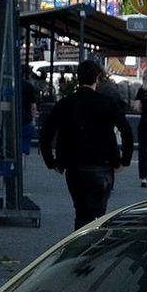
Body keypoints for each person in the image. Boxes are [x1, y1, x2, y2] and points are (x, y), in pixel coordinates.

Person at [38, 56, 133, 225]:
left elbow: (46, 133)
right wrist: (123, 160)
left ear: (78, 78)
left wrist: (52, 162)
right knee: (98, 214)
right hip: (102, 165)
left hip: (75, 166)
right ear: (97, 79)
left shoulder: (66, 103)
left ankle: (80, 244)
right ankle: (93, 247)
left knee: (81, 212)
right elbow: (126, 131)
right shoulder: (107, 102)